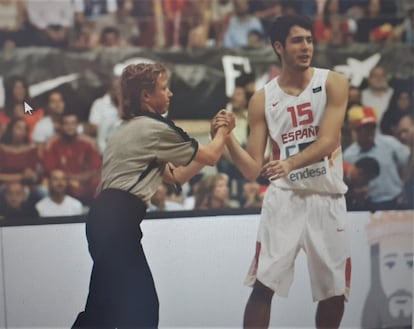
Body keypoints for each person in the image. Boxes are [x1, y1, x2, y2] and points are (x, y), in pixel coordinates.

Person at [72, 62, 234, 329]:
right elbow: (212, 156)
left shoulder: (127, 129)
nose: (170, 93)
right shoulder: (154, 128)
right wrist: (223, 132)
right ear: (146, 95)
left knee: (105, 309)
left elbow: (178, 175)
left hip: (104, 220)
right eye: (164, 88)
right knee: (141, 307)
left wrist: (214, 139)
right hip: (118, 221)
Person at [214, 15, 351, 329]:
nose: (306, 47)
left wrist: (289, 163)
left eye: (309, 40)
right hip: (284, 200)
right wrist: (226, 138)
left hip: (326, 197)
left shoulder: (333, 82)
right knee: (264, 285)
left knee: (334, 292)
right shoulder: (262, 99)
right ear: (278, 47)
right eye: (297, 40)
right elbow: (252, 169)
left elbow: (329, 141)